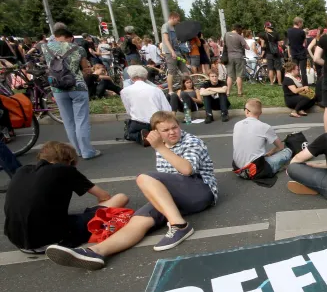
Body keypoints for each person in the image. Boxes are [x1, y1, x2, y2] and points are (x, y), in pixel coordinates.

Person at [45, 111, 218, 270]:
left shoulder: (190, 141)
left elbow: (187, 170)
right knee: (138, 220)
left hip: (201, 191)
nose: (172, 132)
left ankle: (179, 226)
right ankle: (96, 252)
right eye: (165, 130)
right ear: (156, 133)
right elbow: (166, 179)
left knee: (144, 178)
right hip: (177, 196)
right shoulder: (163, 145)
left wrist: (160, 148)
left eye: (175, 127)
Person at [4, 141, 129, 254]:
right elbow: (104, 196)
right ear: (70, 161)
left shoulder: (22, 170)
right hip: (51, 240)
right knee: (121, 198)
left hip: (17, 240)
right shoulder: (65, 170)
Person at [41, 23, 102, 160]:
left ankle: (77, 151)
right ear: (70, 37)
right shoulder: (78, 48)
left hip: (57, 88)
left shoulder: (45, 48)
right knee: (81, 120)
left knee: (68, 122)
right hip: (77, 87)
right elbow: (85, 69)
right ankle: (87, 151)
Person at [232, 98, 292, 179]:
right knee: (287, 151)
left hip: (238, 169)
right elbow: (280, 147)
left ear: (247, 111)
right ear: (260, 113)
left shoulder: (237, 125)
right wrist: (270, 152)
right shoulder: (265, 127)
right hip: (256, 171)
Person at [121, 65, 171, 145]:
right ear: (145, 76)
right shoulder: (156, 90)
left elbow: (128, 111)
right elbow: (167, 109)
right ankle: (158, 134)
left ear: (130, 77)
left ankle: (142, 137)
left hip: (138, 123)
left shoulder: (124, 91)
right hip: (156, 122)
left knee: (129, 134)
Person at [161, 12, 189, 97]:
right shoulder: (165, 26)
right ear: (173, 18)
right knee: (171, 72)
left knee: (185, 70)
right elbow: (166, 40)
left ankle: (187, 87)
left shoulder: (174, 27)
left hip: (177, 52)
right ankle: (170, 90)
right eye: (177, 20)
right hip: (170, 53)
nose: (178, 22)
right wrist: (172, 51)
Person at [225, 24, 249, 97]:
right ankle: (239, 92)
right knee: (239, 75)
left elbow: (224, 44)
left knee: (230, 75)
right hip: (239, 56)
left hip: (229, 56)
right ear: (239, 29)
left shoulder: (226, 34)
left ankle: (228, 92)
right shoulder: (239, 37)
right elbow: (247, 47)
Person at [287, 17, 309, 86]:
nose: (302, 24)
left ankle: (295, 84)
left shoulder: (289, 31)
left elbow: (289, 43)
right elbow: (305, 43)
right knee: (303, 71)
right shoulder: (302, 32)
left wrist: (289, 53)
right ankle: (305, 86)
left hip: (293, 53)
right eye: (302, 23)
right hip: (302, 53)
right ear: (299, 23)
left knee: (294, 70)